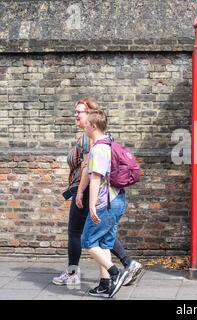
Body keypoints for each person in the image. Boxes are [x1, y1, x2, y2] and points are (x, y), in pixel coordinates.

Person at [53, 98, 143, 288]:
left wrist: (81, 193)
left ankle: (78, 274)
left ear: (90, 116)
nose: (76, 115)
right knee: (102, 236)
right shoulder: (96, 136)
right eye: (75, 112)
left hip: (87, 191)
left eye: (80, 112)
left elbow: (89, 169)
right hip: (93, 192)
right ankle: (110, 277)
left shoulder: (89, 138)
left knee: (79, 234)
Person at [81, 108, 130, 298]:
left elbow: (96, 178)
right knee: (104, 243)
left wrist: (92, 205)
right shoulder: (110, 143)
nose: (84, 127)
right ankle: (105, 285)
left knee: (88, 240)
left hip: (106, 203)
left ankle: (115, 273)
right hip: (117, 199)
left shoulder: (99, 149)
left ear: (93, 126)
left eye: (86, 125)